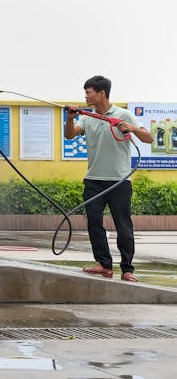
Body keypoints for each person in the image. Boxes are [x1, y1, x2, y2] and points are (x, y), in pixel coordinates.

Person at [64, 75, 152, 282]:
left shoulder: (123, 114)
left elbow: (147, 137)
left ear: (101, 93)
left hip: (120, 181)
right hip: (93, 180)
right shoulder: (86, 117)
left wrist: (130, 128)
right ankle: (104, 264)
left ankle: (127, 269)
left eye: (89, 92)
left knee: (123, 225)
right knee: (94, 222)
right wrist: (70, 119)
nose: (86, 96)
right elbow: (70, 135)